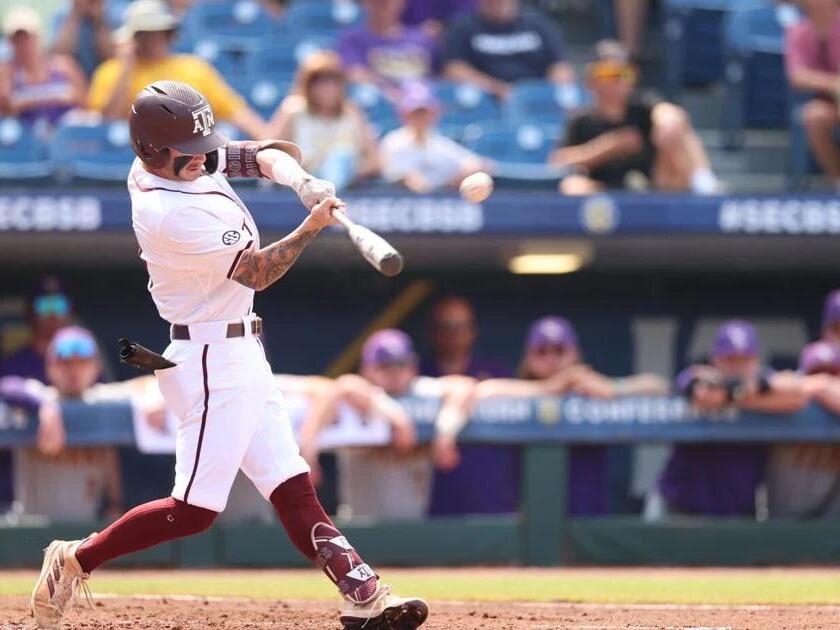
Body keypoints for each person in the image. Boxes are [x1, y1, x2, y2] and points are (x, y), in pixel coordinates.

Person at [29, 81, 427, 630]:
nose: (201, 159)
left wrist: (303, 182)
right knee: (193, 511)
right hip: (210, 357)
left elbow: (255, 155)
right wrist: (311, 227)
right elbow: (258, 272)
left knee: (290, 483)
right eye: (187, 153)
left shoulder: (175, 160)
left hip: (241, 350)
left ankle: (361, 593)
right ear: (152, 151)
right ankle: (74, 559)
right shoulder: (169, 211)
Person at [299, 329, 476, 520]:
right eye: (385, 365)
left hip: (412, 530)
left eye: (401, 364)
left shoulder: (422, 392)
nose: (395, 372)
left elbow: (464, 387)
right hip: (359, 529)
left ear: (413, 367)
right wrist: (397, 417)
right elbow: (345, 385)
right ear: (367, 369)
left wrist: (445, 434)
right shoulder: (358, 397)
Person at [646, 320, 809, 521]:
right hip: (678, 507)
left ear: (756, 360)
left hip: (737, 512)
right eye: (730, 359)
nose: (738, 366)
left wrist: (735, 396)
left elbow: (799, 396)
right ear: (716, 359)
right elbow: (705, 394)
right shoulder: (695, 375)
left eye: (745, 359)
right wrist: (752, 394)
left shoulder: (764, 380)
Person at [515, 315, 667, 515]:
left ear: (575, 353)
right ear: (528, 357)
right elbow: (483, 390)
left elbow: (660, 386)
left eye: (560, 350)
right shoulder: (515, 392)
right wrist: (550, 387)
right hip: (532, 517)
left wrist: (612, 387)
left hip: (587, 515)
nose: (551, 359)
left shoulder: (593, 391)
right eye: (542, 351)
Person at [551, 40, 721, 195]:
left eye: (623, 74)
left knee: (675, 126)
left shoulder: (643, 110)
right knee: (573, 186)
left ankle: (704, 182)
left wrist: (667, 117)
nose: (615, 82)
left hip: (655, 188)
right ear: (591, 80)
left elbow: (670, 116)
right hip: (605, 195)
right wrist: (609, 146)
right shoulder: (582, 121)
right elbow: (558, 162)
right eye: (607, 74)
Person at [87, 0, 267, 139]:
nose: (151, 39)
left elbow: (237, 113)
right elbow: (107, 121)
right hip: (131, 157)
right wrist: (126, 68)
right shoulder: (111, 71)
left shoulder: (194, 68)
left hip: (184, 155)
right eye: (143, 33)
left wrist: (268, 142)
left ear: (169, 33)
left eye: (158, 32)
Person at [419, 296, 519, 516]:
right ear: (433, 332)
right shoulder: (418, 376)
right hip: (434, 507)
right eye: (446, 327)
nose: (454, 334)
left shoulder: (494, 372)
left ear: (473, 331)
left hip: (493, 503)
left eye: (461, 326)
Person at [13, 326, 123, 523]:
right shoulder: (37, 397)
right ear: (49, 367)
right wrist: (44, 406)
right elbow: (7, 385)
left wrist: (114, 503)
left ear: (96, 367)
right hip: (33, 526)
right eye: (65, 363)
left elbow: (146, 388)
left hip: (84, 526)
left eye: (81, 363)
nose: (73, 370)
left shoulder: (104, 400)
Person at [268, 51, 380, 191]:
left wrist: (351, 171)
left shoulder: (351, 112)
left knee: (339, 157)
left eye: (333, 82)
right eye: (319, 82)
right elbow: (270, 155)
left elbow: (375, 160)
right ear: (308, 86)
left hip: (344, 184)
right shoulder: (294, 110)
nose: (327, 88)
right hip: (302, 184)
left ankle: (329, 194)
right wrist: (301, 175)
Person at [442, 0, 575, 100]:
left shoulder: (538, 24)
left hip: (533, 100)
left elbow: (560, 67)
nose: (500, 3)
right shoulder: (464, 27)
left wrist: (541, 93)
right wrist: (498, 89)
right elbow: (455, 70)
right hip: (486, 99)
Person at [767, 340, 840, 517]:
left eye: (832, 373)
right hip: (779, 525)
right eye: (815, 373)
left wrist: (822, 386)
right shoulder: (779, 402)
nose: (824, 378)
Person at [379, 83, 485, 193]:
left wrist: (458, 178)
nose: (422, 118)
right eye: (416, 113)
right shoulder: (394, 141)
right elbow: (395, 175)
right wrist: (409, 179)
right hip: (400, 202)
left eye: (426, 113)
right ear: (405, 115)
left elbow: (474, 164)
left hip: (438, 203)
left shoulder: (439, 142)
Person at [0, 6, 87, 127]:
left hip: (63, 137)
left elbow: (84, 102)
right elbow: (6, 108)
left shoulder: (64, 65)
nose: (22, 45)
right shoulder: (7, 71)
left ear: (38, 37)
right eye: (17, 40)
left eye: (27, 38)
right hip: (24, 138)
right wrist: (54, 96)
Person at [785, 0, 840, 189]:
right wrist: (834, 84)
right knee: (813, 115)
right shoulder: (798, 31)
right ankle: (837, 181)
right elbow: (798, 76)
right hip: (828, 101)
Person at [337, 0, 436, 94]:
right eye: (378, 2)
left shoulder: (422, 39)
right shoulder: (353, 39)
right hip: (375, 103)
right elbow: (355, 74)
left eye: (388, 2)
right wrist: (390, 90)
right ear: (366, 3)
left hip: (419, 104)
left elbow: (441, 76)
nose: (383, 6)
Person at [0, 277, 74, 383]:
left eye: (59, 305)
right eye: (45, 306)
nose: (53, 313)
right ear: (30, 313)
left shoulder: (81, 366)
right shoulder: (12, 365)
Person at [50, 0, 116, 79]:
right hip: (72, 80)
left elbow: (111, 57)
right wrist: (75, 14)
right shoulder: (61, 15)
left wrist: (99, 20)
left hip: (104, 79)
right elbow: (59, 54)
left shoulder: (113, 13)